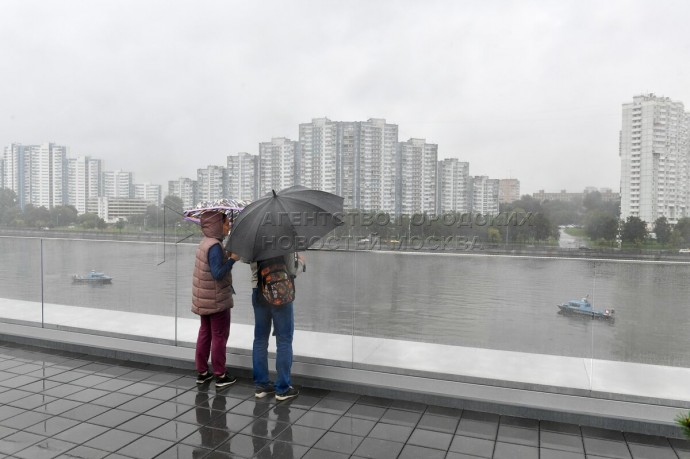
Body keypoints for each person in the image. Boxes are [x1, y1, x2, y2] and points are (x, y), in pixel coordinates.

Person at [192, 211, 239, 389]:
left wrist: (226, 255)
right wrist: (232, 260)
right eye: (226, 224)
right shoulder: (214, 246)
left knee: (205, 333)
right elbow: (218, 273)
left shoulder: (205, 243)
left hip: (204, 298)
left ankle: (203, 372)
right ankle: (221, 375)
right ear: (218, 225)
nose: (228, 227)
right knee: (219, 336)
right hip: (216, 299)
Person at [250, 252, 305, 401]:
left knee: (260, 339)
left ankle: (261, 386)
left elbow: (245, 257)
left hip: (259, 289)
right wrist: (300, 261)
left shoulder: (253, 237)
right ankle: (282, 389)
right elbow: (293, 270)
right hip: (280, 289)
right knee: (284, 339)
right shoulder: (282, 238)